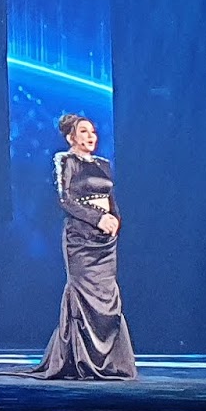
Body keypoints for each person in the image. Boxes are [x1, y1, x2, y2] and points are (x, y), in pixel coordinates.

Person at [28, 113, 137, 379]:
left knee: (107, 296)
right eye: (84, 132)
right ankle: (79, 360)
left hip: (105, 241)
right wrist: (98, 218)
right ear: (71, 137)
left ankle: (110, 362)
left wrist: (115, 220)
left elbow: (111, 199)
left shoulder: (103, 164)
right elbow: (65, 200)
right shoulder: (65, 160)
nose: (91, 136)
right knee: (82, 294)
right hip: (80, 238)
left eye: (93, 132)